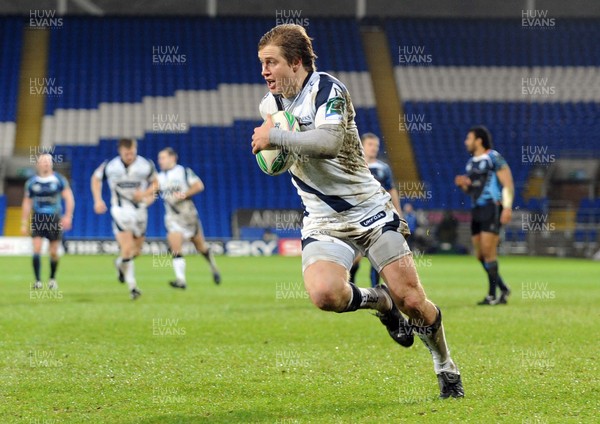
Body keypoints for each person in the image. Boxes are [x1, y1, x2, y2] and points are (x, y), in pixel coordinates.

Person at [251, 24, 463, 398]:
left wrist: (275, 138)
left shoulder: (328, 89)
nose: (264, 71)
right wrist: (270, 148)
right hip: (323, 219)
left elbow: (329, 142)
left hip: (370, 211)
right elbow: (278, 155)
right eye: (262, 63)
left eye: (272, 62)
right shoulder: (270, 106)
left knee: (412, 301)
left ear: (296, 62)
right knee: (325, 295)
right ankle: (378, 301)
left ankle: (445, 365)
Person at [91, 138, 157, 300]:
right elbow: (95, 179)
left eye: (132, 152)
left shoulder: (145, 165)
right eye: (127, 153)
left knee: (137, 251)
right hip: (120, 210)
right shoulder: (110, 166)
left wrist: (146, 195)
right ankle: (133, 287)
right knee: (127, 248)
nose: (130, 155)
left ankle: (120, 263)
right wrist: (98, 200)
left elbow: (156, 183)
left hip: (140, 210)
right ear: (120, 151)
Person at [454, 126, 513, 305]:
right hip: (477, 210)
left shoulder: (494, 158)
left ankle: (492, 295)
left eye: (468, 138)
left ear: (478, 140)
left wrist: (508, 207)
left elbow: (508, 184)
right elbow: (472, 190)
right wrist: (463, 185)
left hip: (491, 208)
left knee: (489, 252)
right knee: (480, 255)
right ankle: (503, 288)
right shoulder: (471, 163)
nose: (466, 142)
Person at [155, 147, 220, 288]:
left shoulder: (183, 171)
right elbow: (153, 193)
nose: (160, 161)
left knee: (201, 247)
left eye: (163, 157)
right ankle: (181, 280)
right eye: (159, 158)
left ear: (173, 158)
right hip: (172, 217)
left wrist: (184, 194)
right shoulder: (159, 178)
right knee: (175, 246)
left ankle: (213, 267)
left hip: (188, 216)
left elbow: (199, 185)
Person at [349, 132, 402, 287]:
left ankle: (376, 289)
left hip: (378, 215)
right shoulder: (354, 165)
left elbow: (391, 190)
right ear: (362, 146)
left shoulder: (383, 168)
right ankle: (351, 287)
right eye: (370, 145)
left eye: (376, 146)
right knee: (355, 257)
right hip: (357, 215)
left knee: (377, 255)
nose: (374, 148)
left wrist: (398, 210)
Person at [21, 154, 75, 290]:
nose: (45, 164)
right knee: (37, 249)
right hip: (38, 218)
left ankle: (52, 279)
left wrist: (68, 216)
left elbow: (69, 197)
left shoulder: (59, 180)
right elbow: (27, 202)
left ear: (51, 164)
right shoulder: (32, 182)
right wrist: (23, 222)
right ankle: (38, 281)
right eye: (43, 162)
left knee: (53, 252)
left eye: (48, 162)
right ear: (38, 164)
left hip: (54, 219)